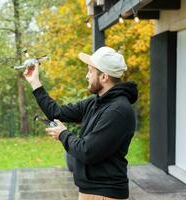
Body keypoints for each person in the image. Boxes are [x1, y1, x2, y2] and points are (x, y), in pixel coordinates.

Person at [23, 46, 138, 200]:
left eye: (90, 71)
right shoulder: (96, 102)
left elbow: (87, 151)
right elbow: (56, 112)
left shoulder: (118, 111)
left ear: (104, 77)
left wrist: (62, 134)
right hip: (91, 191)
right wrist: (35, 82)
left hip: (104, 194)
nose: (87, 75)